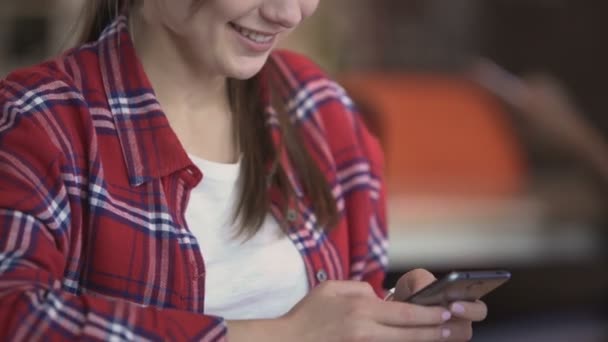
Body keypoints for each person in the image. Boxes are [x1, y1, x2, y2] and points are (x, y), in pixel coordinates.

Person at [0, 0, 487, 340]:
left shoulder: (322, 111)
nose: (289, 12)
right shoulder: (38, 122)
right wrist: (282, 336)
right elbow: (15, 318)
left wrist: (385, 320)